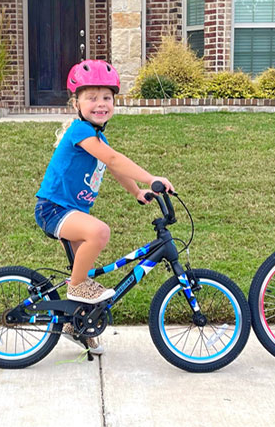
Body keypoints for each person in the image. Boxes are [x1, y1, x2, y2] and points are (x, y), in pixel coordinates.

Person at [34, 60, 174, 354]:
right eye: (92, 97)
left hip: (70, 212)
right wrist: (152, 177)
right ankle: (78, 286)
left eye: (107, 98)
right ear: (76, 103)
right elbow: (113, 160)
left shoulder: (98, 137)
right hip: (53, 209)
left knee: (86, 252)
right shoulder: (79, 132)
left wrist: (138, 191)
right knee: (99, 232)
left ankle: (77, 324)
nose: (100, 104)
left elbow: (113, 166)